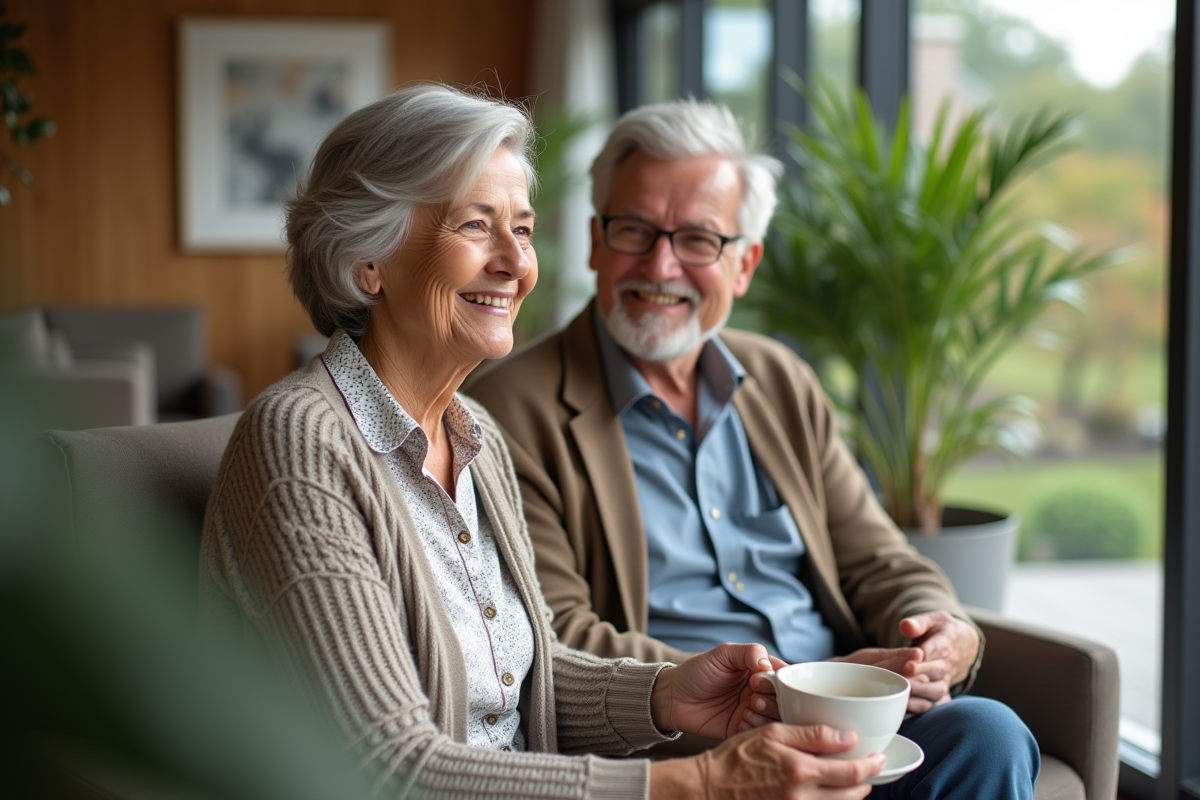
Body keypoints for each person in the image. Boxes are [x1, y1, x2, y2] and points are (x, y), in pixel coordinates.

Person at [200, 83, 892, 800]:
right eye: (476, 226)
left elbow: (523, 677)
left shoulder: (475, 437)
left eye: (523, 230)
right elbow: (388, 767)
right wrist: (699, 783)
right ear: (367, 261)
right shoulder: (301, 440)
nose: (515, 263)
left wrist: (667, 692)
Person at [464, 98, 1040, 798]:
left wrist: (941, 632)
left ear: (745, 265)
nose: (662, 265)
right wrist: (765, 694)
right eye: (633, 230)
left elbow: (878, 558)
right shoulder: (507, 409)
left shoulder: (781, 381)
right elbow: (557, 635)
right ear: (593, 241)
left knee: (989, 733)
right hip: (697, 743)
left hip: (848, 717)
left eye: (699, 240)